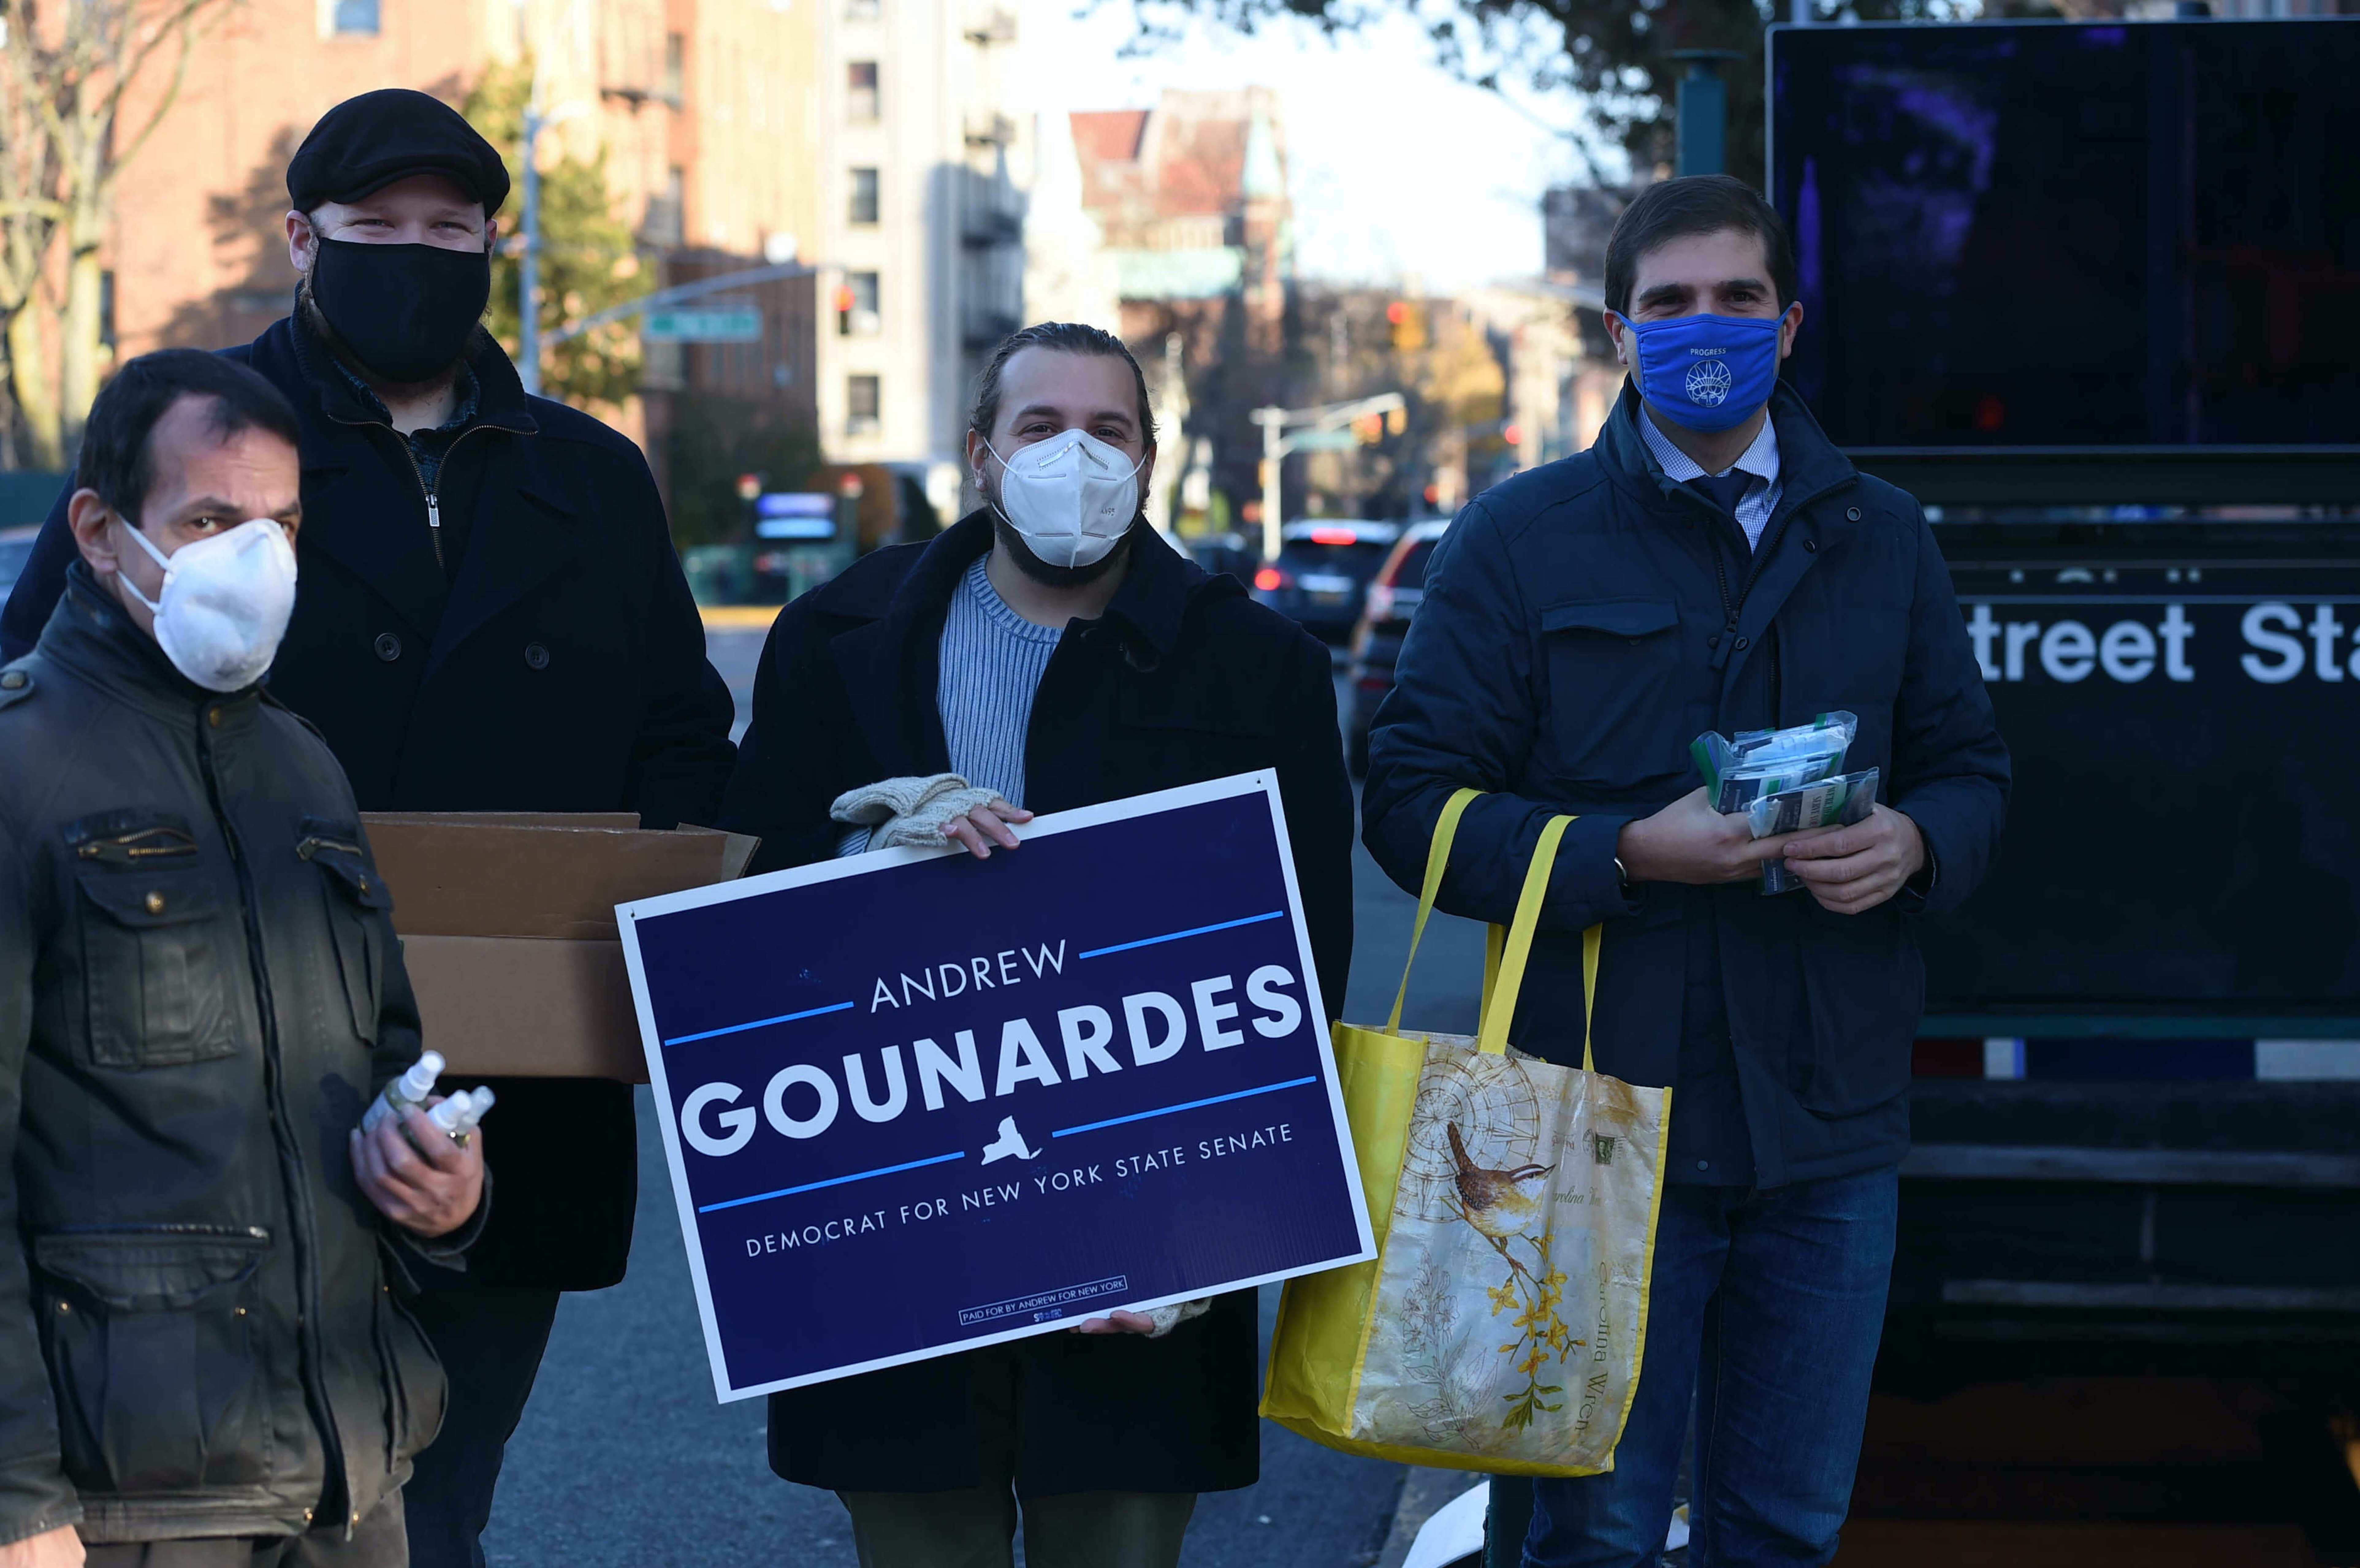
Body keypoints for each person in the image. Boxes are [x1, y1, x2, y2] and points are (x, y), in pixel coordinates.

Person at [0, 90, 736, 1568]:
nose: (416, 257)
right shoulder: (211, 444)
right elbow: (56, 692)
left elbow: (682, 743)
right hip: (192, 1096)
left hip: (507, 1092)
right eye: (377, 230)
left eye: (448, 231)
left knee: (432, 1489)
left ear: (487, 246)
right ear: (300, 241)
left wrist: (635, 918)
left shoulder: (589, 478)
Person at [1361, 175, 2010, 1567]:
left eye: (1732, 300)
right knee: (1588, 1531)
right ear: (1616, 331)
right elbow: (1408, 806)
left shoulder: (1880, 536)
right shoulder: (1516, 539)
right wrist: (1625, 854)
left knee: (1780, 1529)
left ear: (1788, 326)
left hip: (1825, 1130)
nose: (1700, 327)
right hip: (1591, 1120)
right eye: (1668, 304)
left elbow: (1971, 769)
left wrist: (1912, 843)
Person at [719, 321, 1354, 1568]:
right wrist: (864, 857)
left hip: (1136, 1230)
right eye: (1039, 427)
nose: (1077, 455)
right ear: (979, 456)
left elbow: (1301, 962)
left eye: (1108, 431)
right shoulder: (833, 641)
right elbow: (738, 907)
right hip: (889, 1200)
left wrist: (1221, 1221)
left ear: (1150, 459)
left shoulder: (1252, 664)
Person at [0, 349, 486, 1568]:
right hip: (130, 1498)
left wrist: (445, 1194)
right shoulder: (19, 770)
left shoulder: (303, 767)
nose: (256, 560)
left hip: (348, 1468)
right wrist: (15, 1503)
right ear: (102, 534)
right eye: (212, 519)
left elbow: (386, 1061)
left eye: (281, 525)